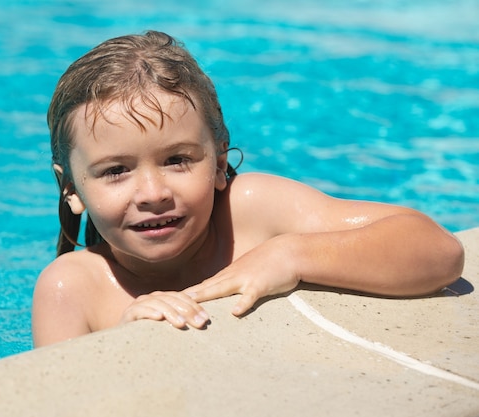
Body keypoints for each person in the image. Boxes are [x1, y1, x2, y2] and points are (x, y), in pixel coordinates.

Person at [31, 30, 464, 348]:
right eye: (115, 171)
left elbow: (438, 252)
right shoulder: (73, 289)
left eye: (177, 159)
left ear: (219, 163)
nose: (152, 192)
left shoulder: (254, 212)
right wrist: (125, 345)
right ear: (70, 188)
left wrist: (290, 254)